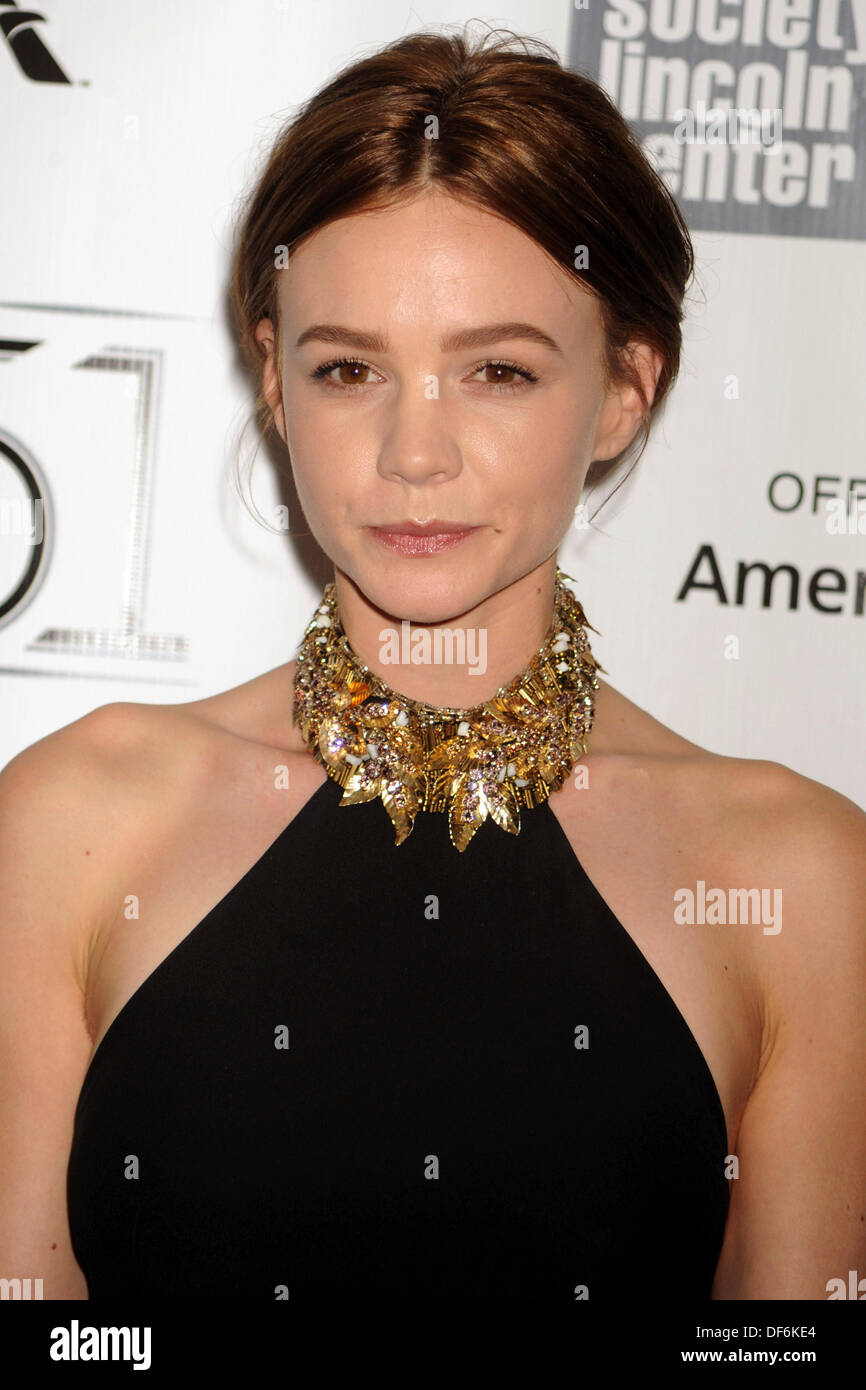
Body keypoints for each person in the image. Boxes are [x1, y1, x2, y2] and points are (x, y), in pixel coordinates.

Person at [1, 25, 864, 1303]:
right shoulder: (72, 822)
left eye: (497, 371)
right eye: (349, 368)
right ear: (276, 385)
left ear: (625, 389)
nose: (415, 451)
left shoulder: (797, 877)